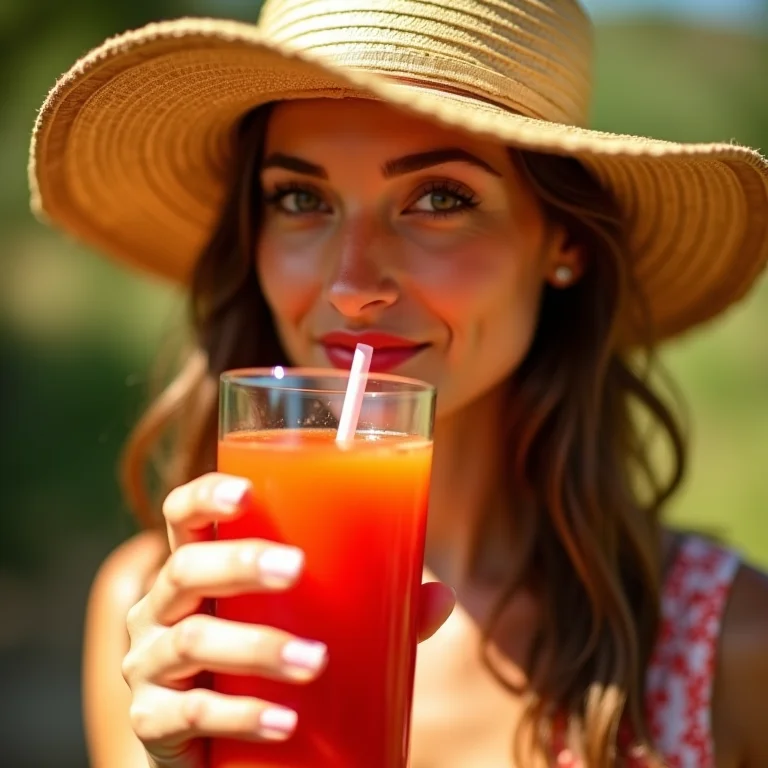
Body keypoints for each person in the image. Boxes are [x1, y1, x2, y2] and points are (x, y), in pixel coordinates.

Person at [28, 1, 768, 766]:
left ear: (563, 242)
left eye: (439, 199)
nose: (352, 285)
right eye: (301, 199)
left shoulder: (732, 653)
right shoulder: (164, 625)